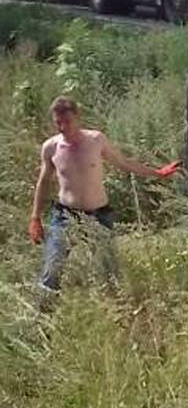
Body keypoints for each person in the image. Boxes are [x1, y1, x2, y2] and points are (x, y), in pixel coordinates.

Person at [28, 96, 180, 292]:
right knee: (52, 269)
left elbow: (123, 163)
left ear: (78, 117)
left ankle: (118, 312)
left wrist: (158, 172)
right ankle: (42, 316)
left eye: (68, 121)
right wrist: (35, 218)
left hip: (99, 215)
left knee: (109, 273)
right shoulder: (51, 147)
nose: (63, 127)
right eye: (58, 122)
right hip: (65, 215)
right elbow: (43, 182)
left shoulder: (95, 140)